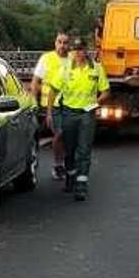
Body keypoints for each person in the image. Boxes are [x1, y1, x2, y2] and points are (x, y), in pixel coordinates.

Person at [46, 38, 110, 201]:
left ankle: (81, 184)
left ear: (86, 50)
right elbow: (53, 91)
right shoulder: (65, 69)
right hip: (69, 113)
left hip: (87, 114)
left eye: (81, 49)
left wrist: (96, 103)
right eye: (75, 50)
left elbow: (105, 91)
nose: (78, 53)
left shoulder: (96, 69)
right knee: (69, 148)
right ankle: (70, 176)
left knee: (84, 149)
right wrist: (49, 113)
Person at [31, 31, 70, 180]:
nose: (62, 45)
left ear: (69, 45)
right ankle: (58, 165)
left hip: (70, 104)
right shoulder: (46, 58)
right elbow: (35, 82)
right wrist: (34, 102)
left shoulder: (73, 59)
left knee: (69, 135)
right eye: (59, 42)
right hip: (51, 105)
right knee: (60, 133)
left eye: (65, 42)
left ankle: (68, 163)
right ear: (55, 43)